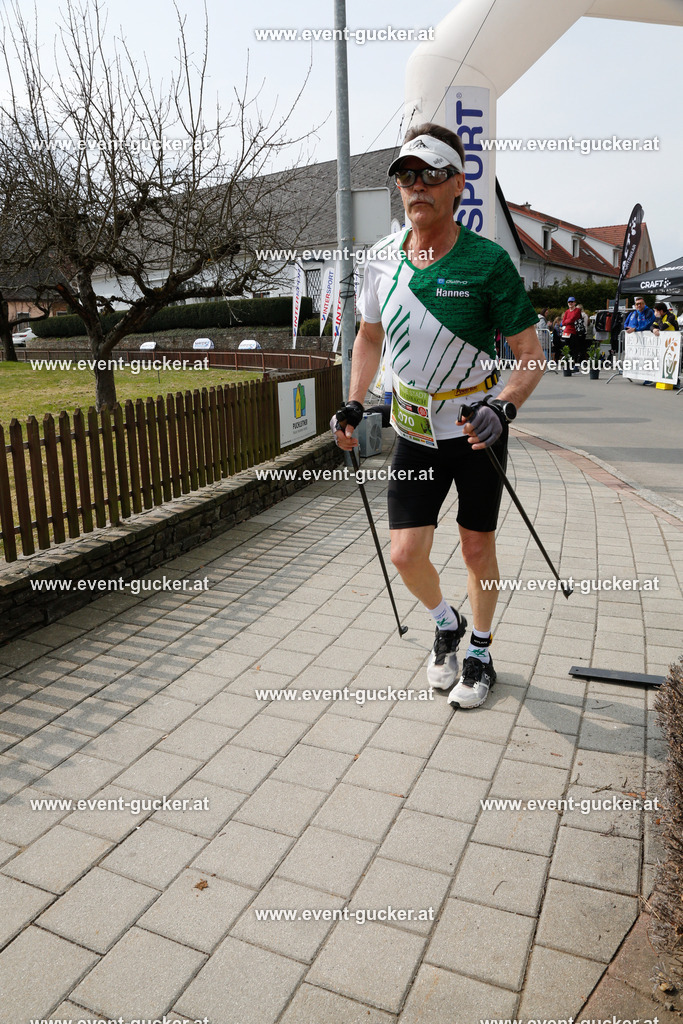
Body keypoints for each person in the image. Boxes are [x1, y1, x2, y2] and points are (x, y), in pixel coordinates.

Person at [332, 123, 544, 710]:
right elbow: (368, 338)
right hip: (415, 433)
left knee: (476, 548)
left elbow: (531, 356)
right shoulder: (379, 260)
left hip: (478, 433)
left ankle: (480, 648)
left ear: (458, 184)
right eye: (406, 175)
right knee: (404, 553)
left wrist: (504, 406)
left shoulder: (488, 262)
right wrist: (355, 398)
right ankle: (444, 622)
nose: (416, 185)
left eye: (431, 174)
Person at [561, 297, 582, 369]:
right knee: (567, 349)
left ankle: (575, 365)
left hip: (574, 332)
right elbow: (563, 322)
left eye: (572, 302)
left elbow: (572, 319)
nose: (570, 303)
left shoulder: (577, 310)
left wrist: (567, 321)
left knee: (574, 349)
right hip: (567, 332)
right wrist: (568, 321)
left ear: (575, 303)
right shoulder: (567, 311)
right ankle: (568, 364)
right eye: (569, 302)